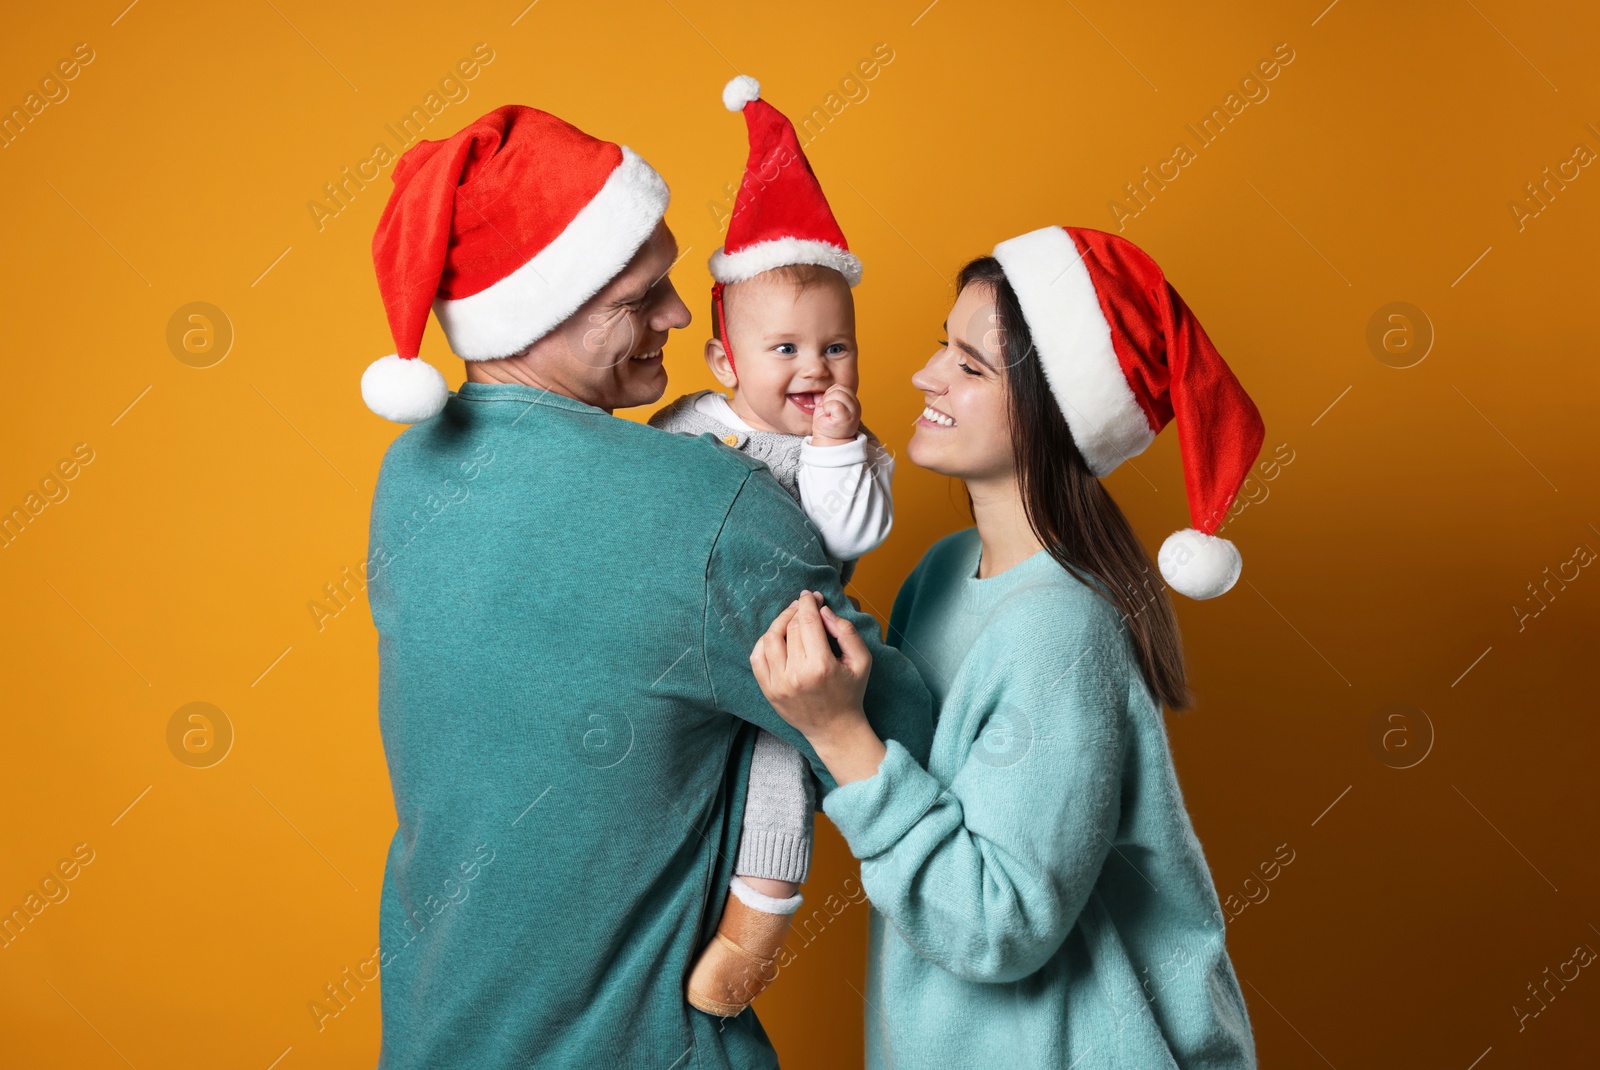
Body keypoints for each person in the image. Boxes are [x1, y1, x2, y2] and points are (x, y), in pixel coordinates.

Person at [359, 103, 933, 1070]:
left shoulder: (409, 474)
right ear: (542, 308)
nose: (676, 313)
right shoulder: (712, 510)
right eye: (643, 294)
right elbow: (907, 730)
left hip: (432, 1033)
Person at [749, 226, 1266, 1068]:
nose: (926, 376)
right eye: (939, 347)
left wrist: (842, 737)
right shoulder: (943, 573)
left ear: (1056, 409)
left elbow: (1001, 924)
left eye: (971, 365)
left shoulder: (1062, 631)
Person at [648, 75, 894, 1017]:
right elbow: (645, 503)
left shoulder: (849, 450)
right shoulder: (691, 421)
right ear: (725, 364)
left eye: (837, 349)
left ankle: (757, 926)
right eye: (784, 350)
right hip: (694, 640)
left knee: (781, 768)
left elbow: (845, 536)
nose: (814, 370)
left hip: (795, 652)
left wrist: (834, 450)